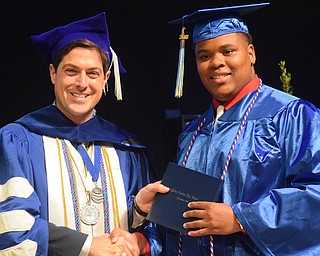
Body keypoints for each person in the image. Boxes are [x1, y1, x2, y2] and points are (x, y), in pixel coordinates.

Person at [127, 2, 320, 255]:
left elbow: (315, 194)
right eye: (204, 56)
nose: (216, 62)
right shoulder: (192, 134)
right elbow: (180, 221)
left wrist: (240, 218)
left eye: (228, 51)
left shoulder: (291, 116)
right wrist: (143, 241)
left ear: (250, 53)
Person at [0, 12, 163, 256]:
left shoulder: (127, 149)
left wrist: (138, 216)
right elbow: (11, 228)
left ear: (106, 78)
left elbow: (154, 235)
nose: (82, 83)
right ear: (53, 73)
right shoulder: (18, 142)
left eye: (93, 73)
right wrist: (88, 246)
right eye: (71, 71)